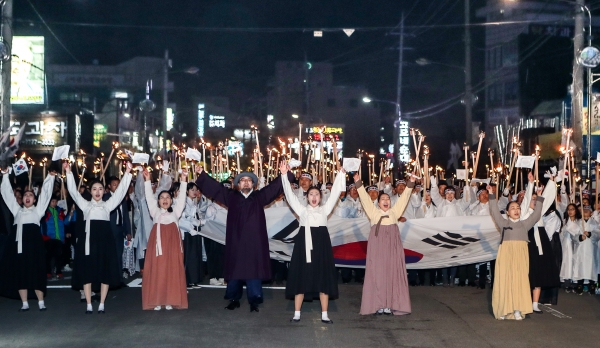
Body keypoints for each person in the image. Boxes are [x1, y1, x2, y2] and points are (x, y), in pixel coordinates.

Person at [195, 161, 294, 312]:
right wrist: (202, 174)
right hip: (236, 242)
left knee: (253, 272)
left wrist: (283, 174)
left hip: (255, 243)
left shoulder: (260, 197)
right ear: (238, 184)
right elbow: (215, 188)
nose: (246, 182)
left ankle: (254, 300)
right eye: (243, 180)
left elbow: (274, 188)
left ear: (253, 184)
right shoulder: (230, 197)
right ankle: (234, 299)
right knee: (235, 271)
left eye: (249, 180)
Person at [280, 162, 346, 324]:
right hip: (304, 245)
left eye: (317, 194)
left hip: (321, 245)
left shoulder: (325, 209)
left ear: (321, 197)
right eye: (311, 195)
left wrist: (341, 174)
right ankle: (297, 313)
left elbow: (336, 191)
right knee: (301, 276)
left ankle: (324, 314)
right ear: (307, 197)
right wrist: (283, 175)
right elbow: (289, 195)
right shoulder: (302, 210)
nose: (314, 197)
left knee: (323, 276)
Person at [64, 161, 132, 314]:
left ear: (104, 191)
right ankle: (89, 304)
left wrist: (127, 173)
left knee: (105, 272)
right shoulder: (85, 205)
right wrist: (68, 172)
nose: (97, 192)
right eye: (94, 189)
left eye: (100, 189)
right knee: (87, 272)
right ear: (90, 190)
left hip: (104, 241)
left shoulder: (107, 205)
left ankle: (101, 303)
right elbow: (73, 192)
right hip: (88, 242)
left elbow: (120, 192)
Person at [354, 172, 414, 316]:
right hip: (377, 246)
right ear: (378, 202)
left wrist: (411, 182)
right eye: (383, 199)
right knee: (378, 273)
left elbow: (404, 198)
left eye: (388, 198)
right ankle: (378, 304)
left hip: (392, 247)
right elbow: (364, 198)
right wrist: (358, 182)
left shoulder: (395, 212)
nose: (386, 201)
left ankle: (390, 304)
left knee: (391, 273)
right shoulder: (373, 212)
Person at [0, 168, 55, 311]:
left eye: (31, 195)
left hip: (34, 247)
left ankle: (41, 302)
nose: (27, 197)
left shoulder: (38, 211)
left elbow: (46, 195)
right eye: (25, 195)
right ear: (22, 199)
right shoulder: (17, 211)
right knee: (21, 273)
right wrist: (5, 175)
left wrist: (50, 177)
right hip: (19, 247)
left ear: (34, 199)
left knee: (36, 272)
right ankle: (24, 303)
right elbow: (7, 194)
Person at [488, 185, 544, 320]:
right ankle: (503, 309)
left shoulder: (525, 224)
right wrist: (491, 194)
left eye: (518, 208)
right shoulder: (503, 223)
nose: (516, 210)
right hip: (506, 254)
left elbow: (536, 214)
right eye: (512, 208)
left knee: (520, 281)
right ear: (507, 212)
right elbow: (494, 211)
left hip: (521, 254)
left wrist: (540, 196)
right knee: (505, 280)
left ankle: (518, 309)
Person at [142, 168, 188, 310]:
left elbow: (182, 199)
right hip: (157, 244)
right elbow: (149, 197)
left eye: (167, 197)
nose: (165, 200)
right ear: (158, 201)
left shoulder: (176, 211)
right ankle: (157, 300)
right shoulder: (154, 211)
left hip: (173, 244)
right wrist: (147, 180)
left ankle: (169, 299)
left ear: (171, 200)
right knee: (158, 270)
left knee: (172, 270)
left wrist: (184, 180)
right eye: (162, 198)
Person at [105, 176, 132, 282]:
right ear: (109, 186)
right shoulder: (105, 198)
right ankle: (109, 279)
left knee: (119, 254)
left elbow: (125, 216)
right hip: (109, 230)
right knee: (109, 255)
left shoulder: (122, 199)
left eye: (118, 184)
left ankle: (119, 279)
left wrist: (128, 231)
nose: (116, 187)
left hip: (119, 230)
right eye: (114, 185)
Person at [179, 182, 205, 289]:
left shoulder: (194, 203)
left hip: (195, 231)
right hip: (187, 232)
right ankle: (188, 280)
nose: (194, 192)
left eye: (195, 190)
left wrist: (200, 222)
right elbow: (185, 218)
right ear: (187, 191)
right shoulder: (184, 203)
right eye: (192, 190)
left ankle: (194, 279)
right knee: (189, 256)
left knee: (195, 255)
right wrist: (196, 224)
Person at [41, 194, 73, 279]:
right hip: (49, 237)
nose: (54, 203)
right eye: (52, 201)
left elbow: (65, 222)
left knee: (59, 255)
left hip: (58, 237)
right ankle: (48, 271)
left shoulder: (60, 211)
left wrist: (70, 215)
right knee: (49, 256)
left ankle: (58, 270)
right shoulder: (45, 211)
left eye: (55, 202)